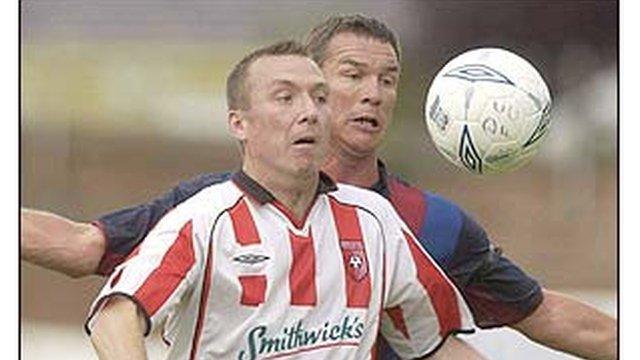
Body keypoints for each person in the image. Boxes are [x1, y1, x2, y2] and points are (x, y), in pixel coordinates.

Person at [21, 14, 616, 360]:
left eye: (388, 80)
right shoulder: (204, 212)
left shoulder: (414, 224)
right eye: (351, 76)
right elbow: (90, 265)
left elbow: (509, 325)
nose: (373, 94)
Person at [84, 40, 476, 360]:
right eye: (285, 98)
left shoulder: (373, 220)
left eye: (320, 98)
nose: (309, 112)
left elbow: (433, 346)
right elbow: (115, 319)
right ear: (239, 123)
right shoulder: (204, 220)